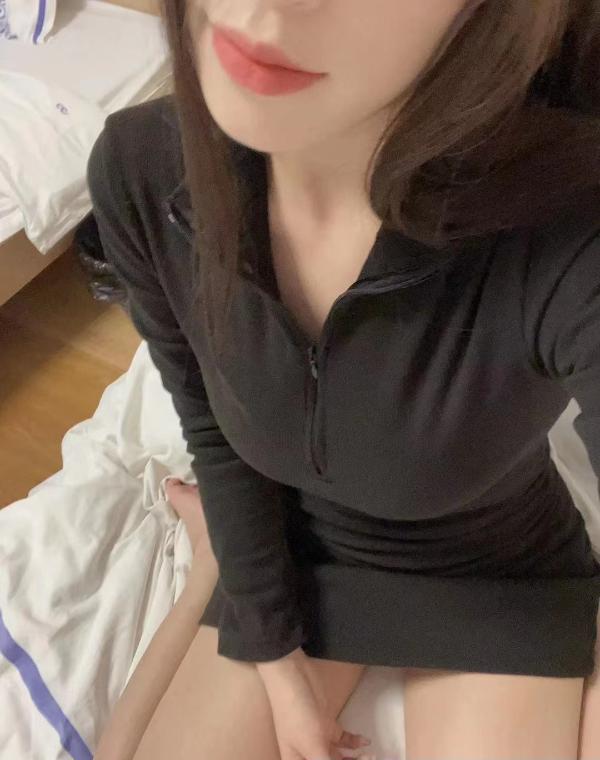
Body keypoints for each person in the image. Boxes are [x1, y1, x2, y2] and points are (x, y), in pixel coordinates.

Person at [89, 1, 600, 758]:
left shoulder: (567, 223)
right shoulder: (143, 172)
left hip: (492, 571)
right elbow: (212, 428)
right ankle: (212, 562)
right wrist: (271, 648)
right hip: (294, 551)